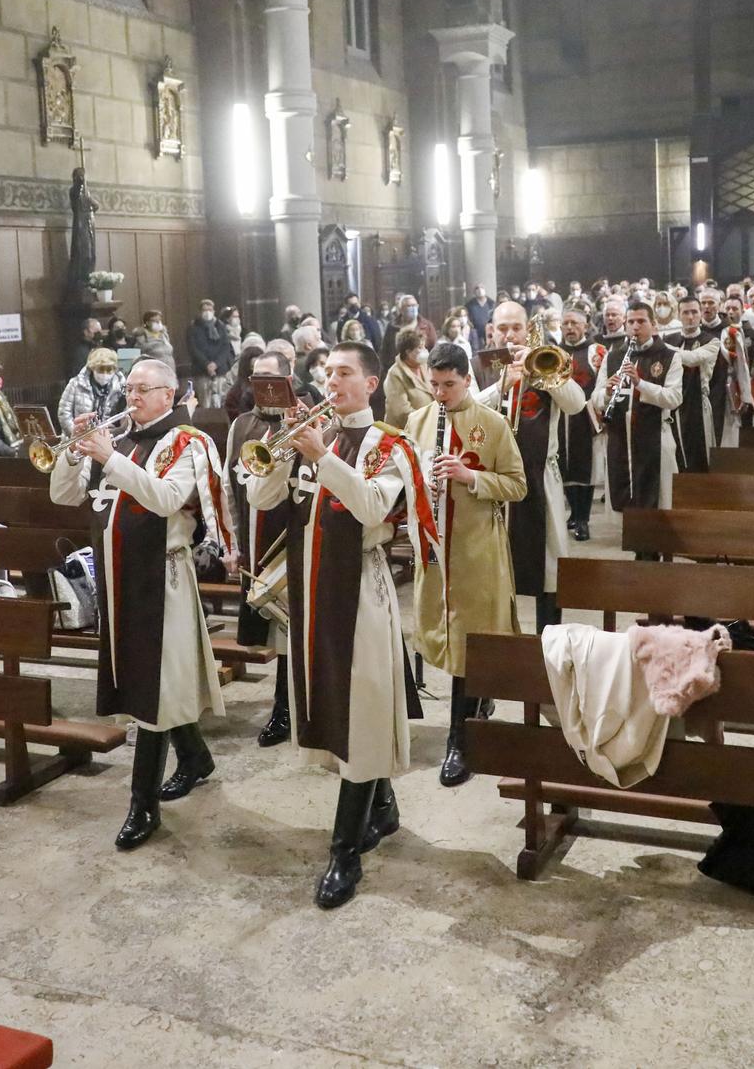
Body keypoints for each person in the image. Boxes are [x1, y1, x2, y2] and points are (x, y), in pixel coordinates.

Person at [245, 341, 438, 910]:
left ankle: (343, 852)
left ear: (371, 384)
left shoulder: (390, 444)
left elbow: (373, 507)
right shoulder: (311, 435)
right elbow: (260, 495)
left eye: (345, 373)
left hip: (360, 586)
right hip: (309, 584)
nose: (332, 381)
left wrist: (321, 457)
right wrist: (286, 454)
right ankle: (382, 805)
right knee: (335, 704)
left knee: (362, 705)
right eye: (327, 372)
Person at [51, 358, 231, 849]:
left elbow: (167, 499)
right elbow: (65, 496)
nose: (130, 397)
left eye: (141, 389)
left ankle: (142, 805)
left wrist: (110, 458)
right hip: (116, 575)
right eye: (128, 388)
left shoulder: (188, 442)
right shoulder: (121, 439)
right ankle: (195, 758)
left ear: (168, 395)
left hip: (162, 576)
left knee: (154, 688)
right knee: (150, 679)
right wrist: (72, 452)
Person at [410, 343, 524, 786]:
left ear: (467, 380)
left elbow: (517, 485)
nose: (440, 394)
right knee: (443, 634)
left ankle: (460, 740)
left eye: (449, 385)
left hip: (477, 549)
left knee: (470, 637)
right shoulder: (417, 421)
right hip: (434, 548)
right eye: (434, 385)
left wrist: (470, 476)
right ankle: (475, 706)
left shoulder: (491, 424)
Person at [478, 302, 588, 626]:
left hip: (542, 477)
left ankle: (548, 641)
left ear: (527, 329)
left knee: (550, 564)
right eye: (502, 328)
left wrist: (546, 373)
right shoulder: (482, 364)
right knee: (495, 564)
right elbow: (467, 408)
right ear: (491, 331)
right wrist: (502, 386)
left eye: (516, 327)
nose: (509, 335)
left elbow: (577, 404)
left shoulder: (546, 361)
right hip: (493, 481)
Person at [224, 353, 295, 744]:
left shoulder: (303, 422)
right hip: (254, 537)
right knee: (269, 630)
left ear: (289, 379)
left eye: (273, 378)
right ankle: (284, 706)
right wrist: (233, 543)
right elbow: (227, 486)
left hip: (291, 539)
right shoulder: (240, 426)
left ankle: (287, 708)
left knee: (291, 627)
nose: (265, 386)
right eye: (258, 379)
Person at [591, 302, 683, 535]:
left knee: (656, 503)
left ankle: (654, 549)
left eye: (641, 321)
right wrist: (608, 393)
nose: (635, 327)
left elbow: (674, 398)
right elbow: (595, 398)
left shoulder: (670, 355)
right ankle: (638, 549)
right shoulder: (613, 356)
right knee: (628, 505)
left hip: (655, 440)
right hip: (621, 440)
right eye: (630, 322)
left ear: (653, 325)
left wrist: (640, 383)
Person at [556, 306, 601, 542]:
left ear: (585, 325)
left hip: (586, 419)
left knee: (586, 469)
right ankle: (573, 512)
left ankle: (583, 519)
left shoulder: (597, 351)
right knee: (563, 467)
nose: (570, 328)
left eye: (575, 323)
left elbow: (604, 383)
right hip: (559, 421)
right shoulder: (553, 352)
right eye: (566, 324)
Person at [667, 297, 723, 474]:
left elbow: (692, 359)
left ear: (700, 315)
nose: (690, 317)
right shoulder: (670, 339)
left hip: (697, 403)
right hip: (672, 403)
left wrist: (661, 347)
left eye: (694, 312)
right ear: (678, 315)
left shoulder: (711, 341)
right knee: (674, 454)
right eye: (685, 312)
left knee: (699, 455)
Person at [59, 347, 125, 431]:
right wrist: (76, 434)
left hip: (107, 438)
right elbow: (64, 413)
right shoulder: (76, 384)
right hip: (78, 437)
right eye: (100, 369)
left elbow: (124, 415)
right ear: (92, 367)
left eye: (109, 370)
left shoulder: (121, 386)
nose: (105, 374)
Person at [188, 298, 235, 409]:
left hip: (220, 371)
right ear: (200, 312)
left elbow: (225, 347)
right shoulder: (193, 328)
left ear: (214, 311)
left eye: (210, 309)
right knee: (206, 404)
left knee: (221, 402)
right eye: (204, 310)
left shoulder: (220, 326)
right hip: (202, 371)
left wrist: (216, 364)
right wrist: (207, 364)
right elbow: (193, 349)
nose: (207, 312)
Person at [382, 327, 431, 430]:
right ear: (408, 352)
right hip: (405, 431)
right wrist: (428, 420)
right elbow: (401, 412)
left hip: (428, 427)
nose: (425, 350)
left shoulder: (425, 366)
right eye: (420, 347)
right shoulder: (395, 374)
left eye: (424, 346)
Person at [464, 283, 496, 348]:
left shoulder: (491, 303)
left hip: (490, 333)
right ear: (474, 292)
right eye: (477, 288)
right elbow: (467, 317)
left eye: (481, 287)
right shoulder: (469, 305)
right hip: (475, 334)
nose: (479, 290)